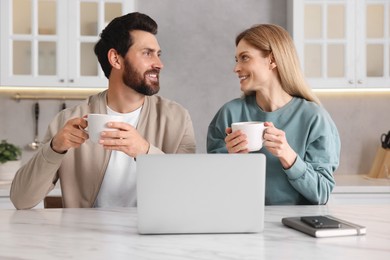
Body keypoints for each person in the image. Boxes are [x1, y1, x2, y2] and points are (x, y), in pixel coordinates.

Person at [11, 12, 196, 209]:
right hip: (85, 238)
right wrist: (55, 147)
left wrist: (145, 151)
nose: (159, 64)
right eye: (147, 53)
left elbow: (189, 195)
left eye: (158, 54)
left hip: (151, 237)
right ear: (116, 59)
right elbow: (21, 200)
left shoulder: (177, 119)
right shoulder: (67, 121)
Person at [207, 24, 340, 205]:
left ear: (272, 60)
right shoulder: (229, 114)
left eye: (244, 58)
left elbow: (321, 193)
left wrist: (289, 157)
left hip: (296, 226)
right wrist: (232, 162)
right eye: (236, 59)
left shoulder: (314, 118)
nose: (236, 68)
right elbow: (211, 188)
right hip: (239, 222)